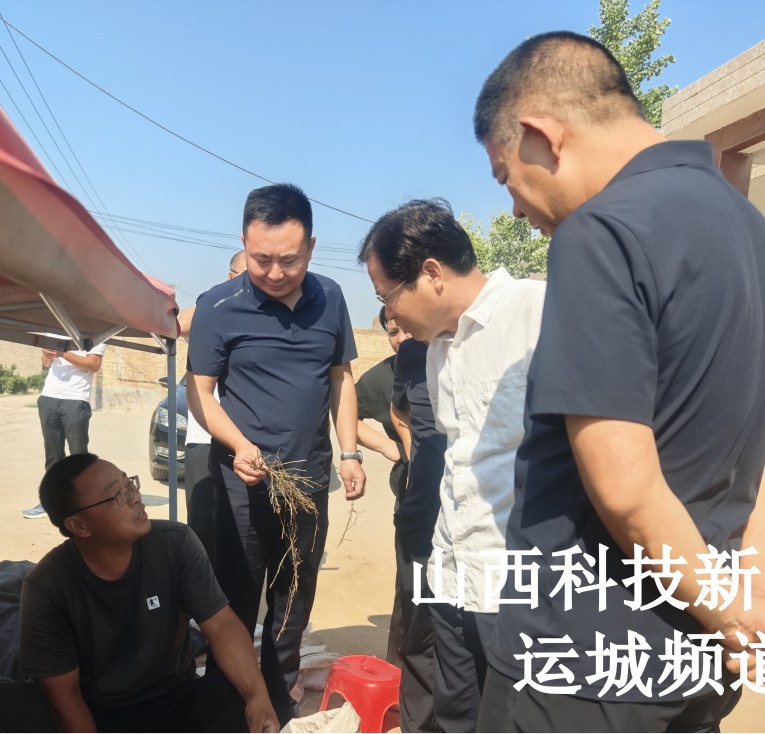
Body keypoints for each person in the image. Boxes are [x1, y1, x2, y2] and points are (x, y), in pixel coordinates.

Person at [471, 31, 765, 731]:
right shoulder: (761, 239)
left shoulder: (603, 232)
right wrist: (748, 596)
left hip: (582, 665)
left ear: (542, 136)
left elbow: (625, 481)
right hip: (697, 661)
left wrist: (735, 612)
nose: (517, 208)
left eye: (505, 176)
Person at [358, 198, 545, 732]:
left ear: (432, 274)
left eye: (387, 298)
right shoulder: (436, 351)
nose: (389, 316)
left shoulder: (536, 314)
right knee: (455, 716)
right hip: (452, 574)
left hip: (517, 585)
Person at [186, 183, 364, 723]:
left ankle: (279, 695)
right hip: (242, 480)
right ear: (244, 243)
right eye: (261, 259)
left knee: (295, 592)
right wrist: (239, 445)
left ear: (311, 246)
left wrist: (350, 452)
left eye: (289, 259)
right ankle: (231, 701)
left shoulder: (331, 297)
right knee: (236, 595)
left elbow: (341, 379)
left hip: (306, 478)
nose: (275, 272)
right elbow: (200, 392)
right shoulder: (218, 306)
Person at [0, 453, 279, 733]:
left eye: (131, 485)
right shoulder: (47, 586)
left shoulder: (176, 543)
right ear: (79, 526)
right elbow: (65, 698)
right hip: (95, 712)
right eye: (118, 495)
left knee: (238, 694)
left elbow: (221, 624)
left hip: (173, 702)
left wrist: (257, 694)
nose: (136, 497)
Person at [387, 330, 447, 734]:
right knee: (420, 631)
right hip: (422, 516)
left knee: (466, 632)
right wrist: (415, 454)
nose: (398, 329)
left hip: (476, 520)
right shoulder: (412, 354)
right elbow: (398, 412)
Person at [179, 250, 248, 562]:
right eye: (247, 275)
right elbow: (179, 325)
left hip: (245, 442)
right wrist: (219, 297)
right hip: (204, 438)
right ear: (230, 277)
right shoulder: (212, 312)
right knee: (202, 524)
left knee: (240, 527)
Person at [23, 338, 107, 519]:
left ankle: (84, 502)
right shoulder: (55, 333)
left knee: (78, 455)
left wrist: (62, 354)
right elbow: (46, 363)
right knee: (53, 454)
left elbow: (93, 365)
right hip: (49, 397)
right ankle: (50, 502)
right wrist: (47, 355)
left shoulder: (95, 336)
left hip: (75, 400)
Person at [356, 307, 409, 501]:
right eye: (393, 333)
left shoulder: (448, 365)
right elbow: (343, 414)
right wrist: (386, 446)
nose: (401, 339)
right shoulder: (380, 378)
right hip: (409, 490)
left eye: (408, 329)